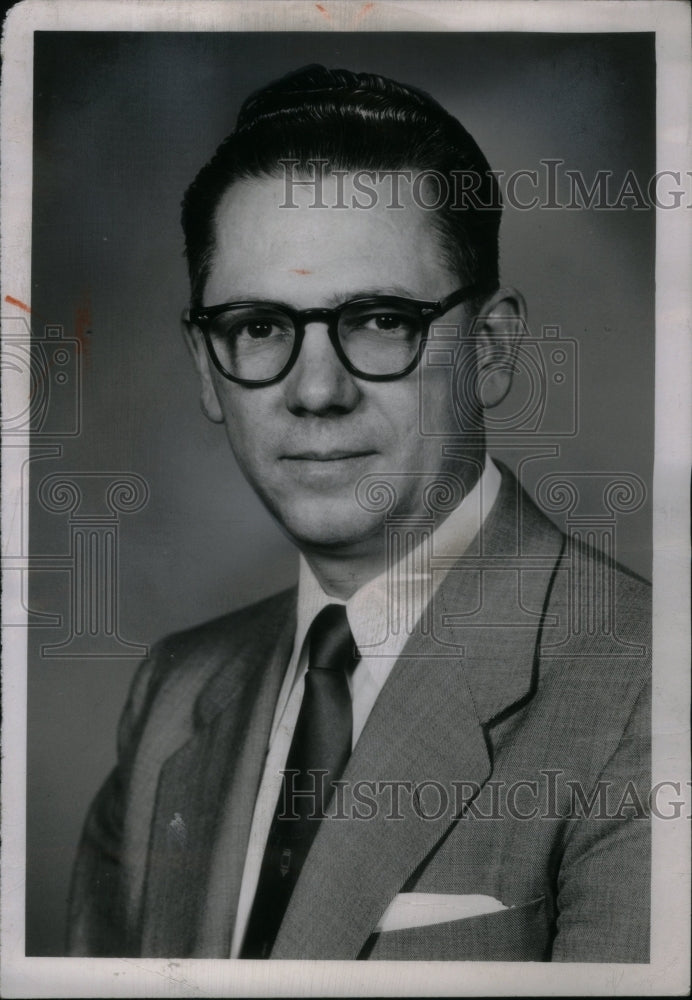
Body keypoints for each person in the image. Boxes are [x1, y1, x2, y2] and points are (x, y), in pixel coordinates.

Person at [67, 65, 650, 962]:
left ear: (490, 351)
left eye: (380, 320)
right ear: (204, 366)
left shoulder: (652, 690)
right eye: (259, 326)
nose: (315, 390)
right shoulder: (175, 695)